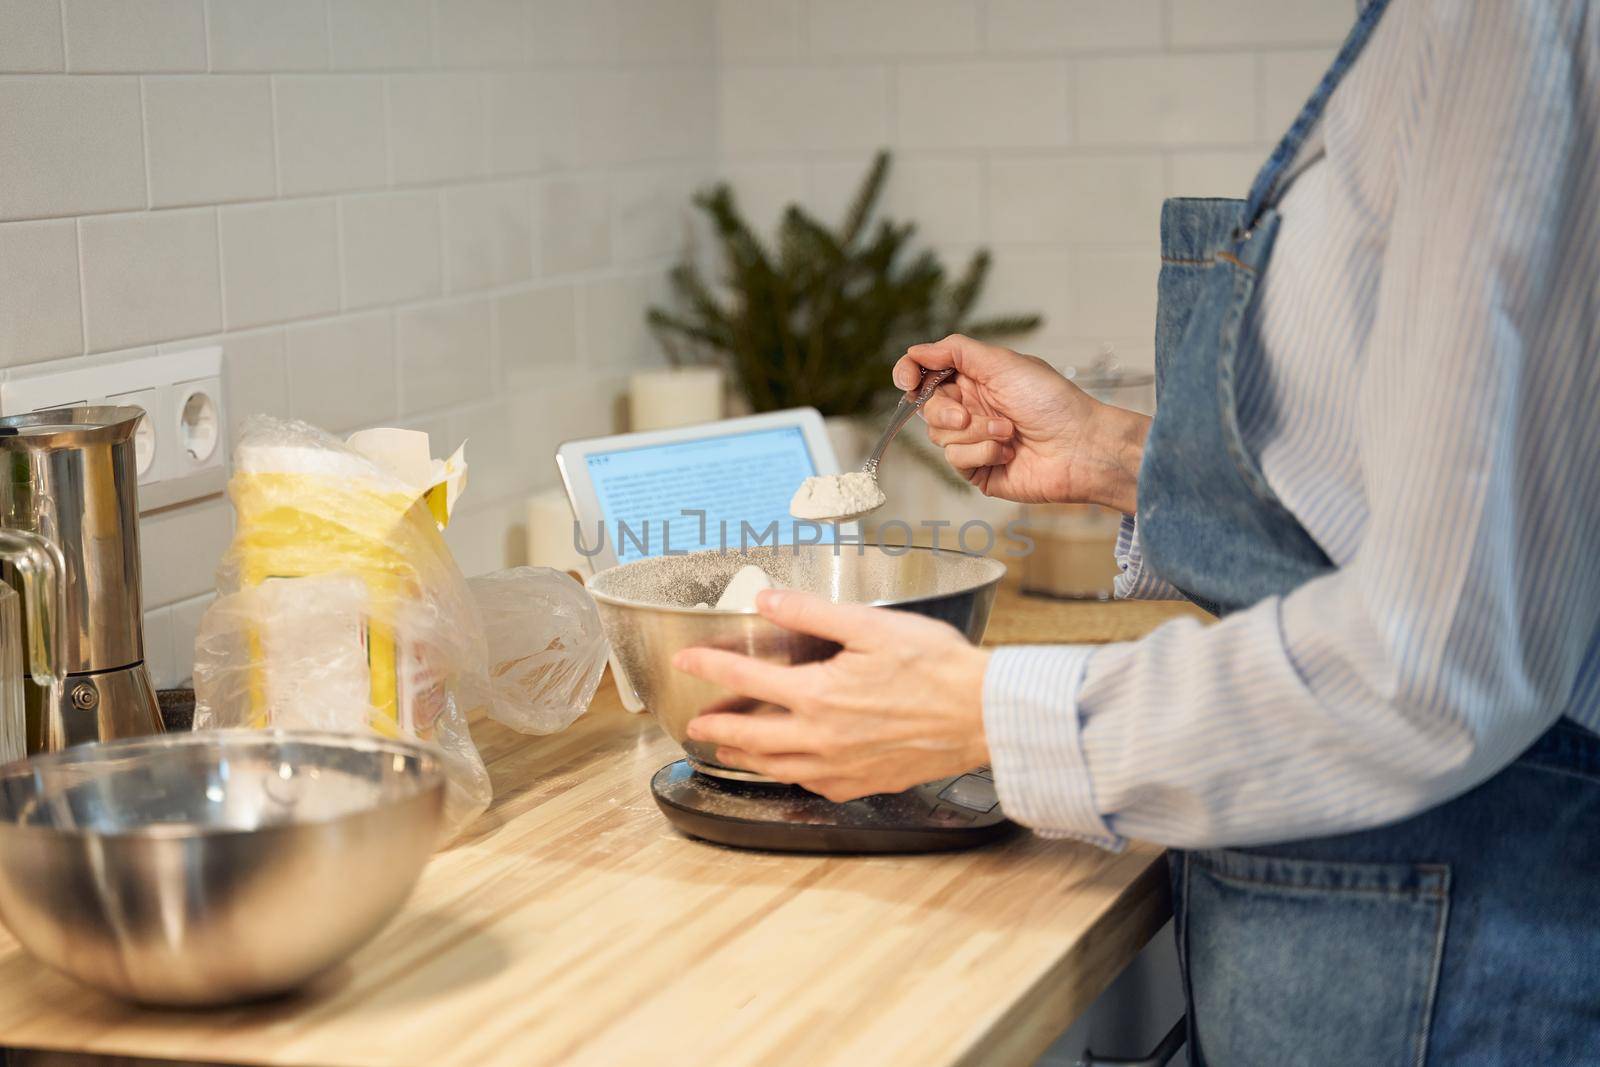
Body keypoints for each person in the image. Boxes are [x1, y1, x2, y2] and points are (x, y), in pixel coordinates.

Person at [673, 1, 1600, 1062]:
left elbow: (1441, 655)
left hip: (1453, 932)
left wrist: (981, 713)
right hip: (1355, 893)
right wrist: (1118, 457)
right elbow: (1436, 501)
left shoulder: (1512, 29)